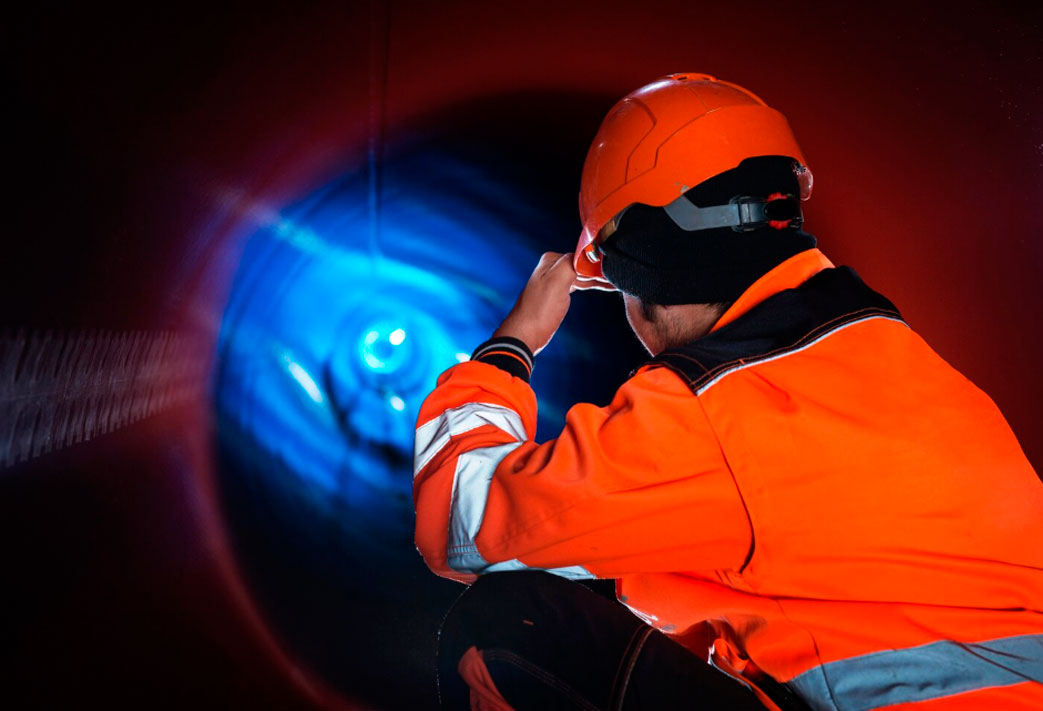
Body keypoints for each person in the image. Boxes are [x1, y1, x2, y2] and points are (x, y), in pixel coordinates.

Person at [412, 73, 1043, 710]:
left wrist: (513, 344)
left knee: (506, 624)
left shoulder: (714, 412)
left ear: (639, 266)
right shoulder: (894, 355)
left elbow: (459, 521)